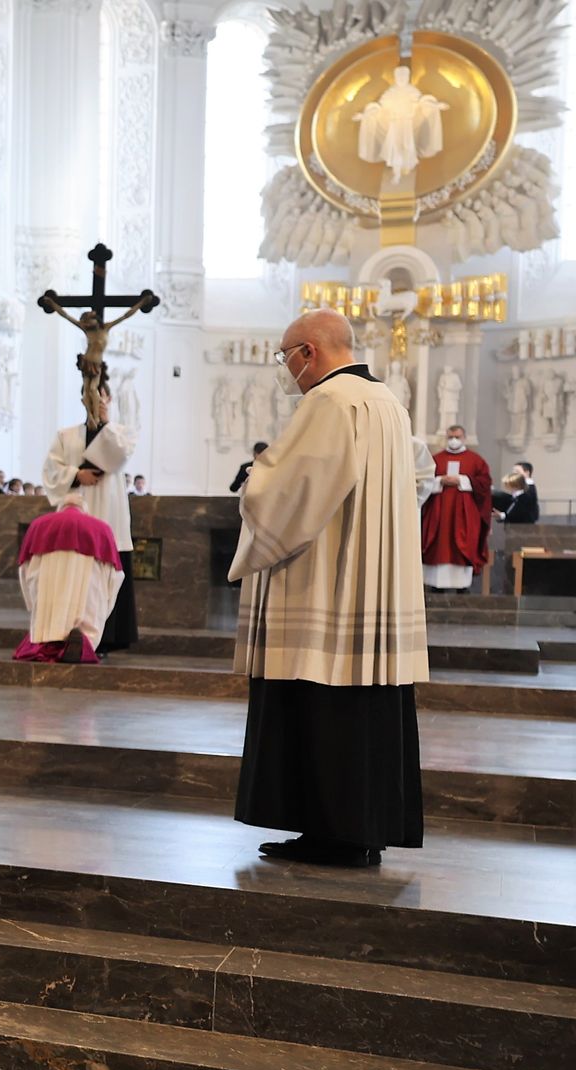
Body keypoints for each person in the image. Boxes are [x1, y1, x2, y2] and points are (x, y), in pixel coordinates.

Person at [231, 308, 425, 868]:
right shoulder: (387, 402)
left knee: (321, 697)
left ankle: (330, 833)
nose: (284, 368)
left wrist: (254, 483)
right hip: (373, 585)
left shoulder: (328, 402)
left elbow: (289, 496)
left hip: (326, 583)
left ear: (308, 353)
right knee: (364, 709)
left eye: (284, 356)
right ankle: (360, 830)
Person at [41, 389, 137, 652]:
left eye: (102, 397)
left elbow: (118, 455)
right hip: (78, 512)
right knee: (75, 574)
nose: (96, 402)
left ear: (109, 399)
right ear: (82, 399)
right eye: (91, 397)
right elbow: (51, 469)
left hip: (109, 514)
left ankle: (106, 639)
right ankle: (70, 634)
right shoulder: (66, 435)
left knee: (106, 577)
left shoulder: (121, 433)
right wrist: (76, 474)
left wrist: (105, 422)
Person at [13, 500, 124, 664]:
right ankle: (81, 644)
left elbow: (24, 568)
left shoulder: (38, 525)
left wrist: (32, 601)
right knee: (87, 617)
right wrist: (107, 603)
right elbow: (115, 575)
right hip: (87, 588)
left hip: (46, 589)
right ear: (85, 509)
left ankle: (49, 641)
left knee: (46, 622)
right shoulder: (101, 528)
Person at [420, 423, 491, 591]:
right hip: (440, 513)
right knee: (439, 545)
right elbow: (424, 479)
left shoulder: (475, 460)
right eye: (450, 437)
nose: (453, 441)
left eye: (457, 437)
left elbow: (484, 484)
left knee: (463, 544)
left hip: (464, 514)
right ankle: (436, 586)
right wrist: (439, 481)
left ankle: (462, 587)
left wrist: (462, 480)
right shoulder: (436, 459)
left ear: (464, 438)